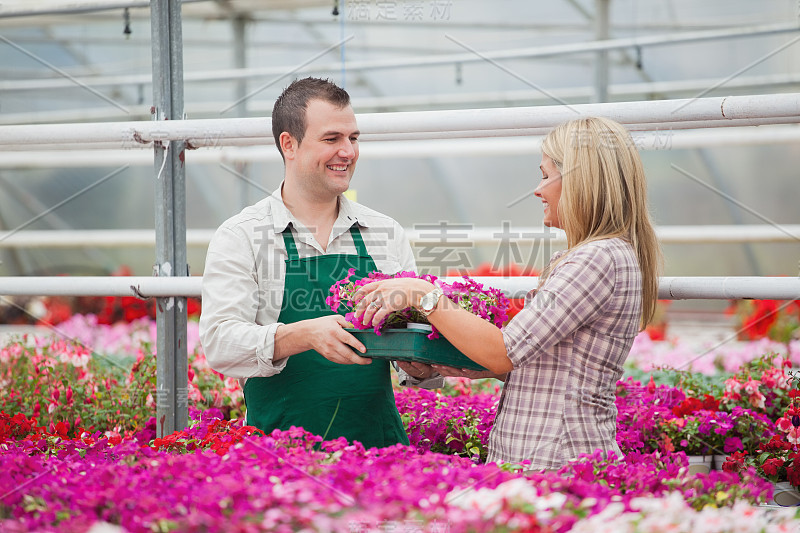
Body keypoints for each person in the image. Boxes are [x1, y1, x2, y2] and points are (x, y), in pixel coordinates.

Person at [353, 117, 662, 469]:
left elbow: (505, 352)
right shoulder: (598, 256)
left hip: (557, 462)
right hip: (551, 460)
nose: (538, 190)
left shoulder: (597, 259)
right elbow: (551, 368)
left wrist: (424, 296)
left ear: (581, 182)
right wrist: (451, 365)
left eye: (546, 175)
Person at [199, 77, 440, 449]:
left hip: (380, 455)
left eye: (353, 138)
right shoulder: (243, 235)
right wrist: (303, 335)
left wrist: (420, 364)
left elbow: (414, 347)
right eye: (332, 139)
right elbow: (219, 343)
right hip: (279, 456)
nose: (348, 151)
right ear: (289, 144)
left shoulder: (383, 232)